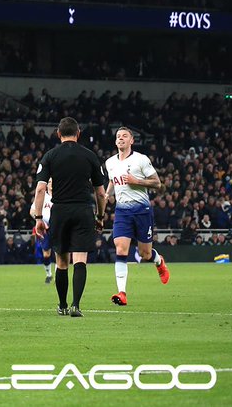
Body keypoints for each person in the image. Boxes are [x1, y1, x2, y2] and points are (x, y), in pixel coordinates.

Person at [31, 117, 108, 317]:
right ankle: (76, 305)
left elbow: (40, 189)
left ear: (58, 134)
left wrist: (39, 218)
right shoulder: (90, 156)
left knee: (62, 262)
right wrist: (100, 217)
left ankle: (63, 305)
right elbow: (101, 193)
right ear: (78, 133)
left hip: (60, 212)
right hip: (83, 211)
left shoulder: (50, 156)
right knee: (80, 260)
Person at [103, 127, 170, 306]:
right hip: (122, 212)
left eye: (125, 136)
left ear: (132, 140)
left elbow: (157, 183)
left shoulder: (141, 159)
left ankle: (158, 261)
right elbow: (111, 180)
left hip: (142, 212)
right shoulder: (110, 162)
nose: (121, 139)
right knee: (120, 248)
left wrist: (137, 181)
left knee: (145, 253)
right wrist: (107, 195)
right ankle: (122, 292)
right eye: (118, 136)